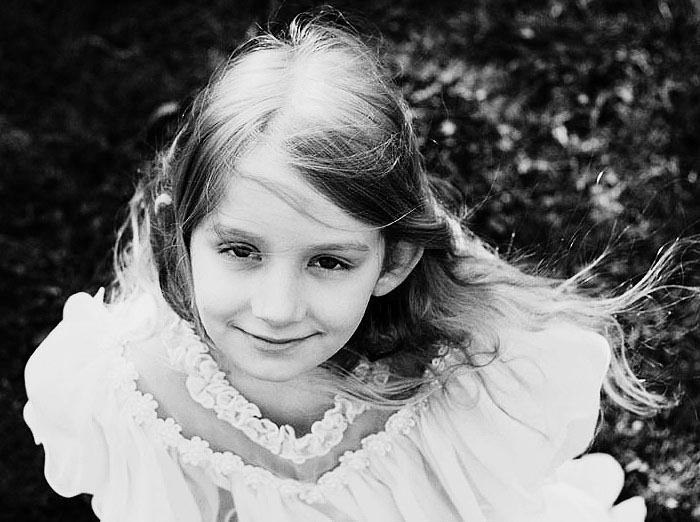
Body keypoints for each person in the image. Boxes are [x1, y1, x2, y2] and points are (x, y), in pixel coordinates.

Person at [25, 14, 676, 522]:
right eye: (241, 251)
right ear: (182, 236)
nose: (277, 309)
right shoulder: (137, 389)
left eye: (329, 261)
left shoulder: (464, 365)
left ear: (393, 263)